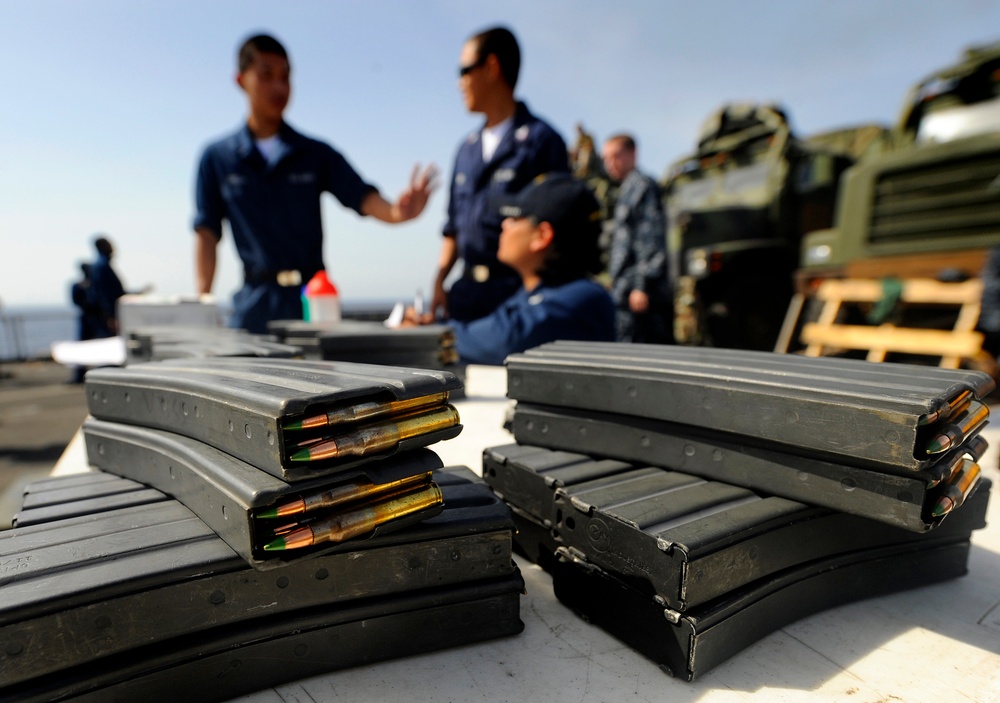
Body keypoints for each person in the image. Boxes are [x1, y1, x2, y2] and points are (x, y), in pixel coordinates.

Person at [193, 33, 437, 334]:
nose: (279, 87)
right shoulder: (216, 158)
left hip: (313, 302)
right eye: (266, 75)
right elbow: (206, 233)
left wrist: (399, 213)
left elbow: (361, 196)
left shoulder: (315, 153)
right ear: (241, 79)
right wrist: (202, 302)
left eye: (286, 76)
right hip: (253, 306)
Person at [432, 26, 569, 323]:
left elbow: (560, 228)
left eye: (464, 70)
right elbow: (454, 225)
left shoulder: (542, 142)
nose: (459, 83)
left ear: (492, 67)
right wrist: (439, 280)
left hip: (516, 298)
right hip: (465, 296)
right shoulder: (466, 149)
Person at [406, 173, 615, 364]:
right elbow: (485, 333)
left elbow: (505, 341)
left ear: (542, 236)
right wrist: (432, 328)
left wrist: (423, 336)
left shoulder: (584, 298)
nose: (504, 225)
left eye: (515, 218)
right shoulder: (534, 293)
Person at [602, 133, 673, 343]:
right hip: (624, 291)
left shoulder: (642, 186)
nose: (610, 163)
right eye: (606, 158)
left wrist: (641, 286)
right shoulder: (625, 189)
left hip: (640, 295)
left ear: (633, 154)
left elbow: (650, 240)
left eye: (616, 156)